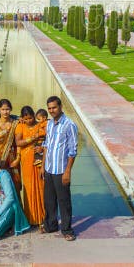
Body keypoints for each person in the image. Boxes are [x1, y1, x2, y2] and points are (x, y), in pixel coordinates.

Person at [42, 95, 78, 241]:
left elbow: (73, 150)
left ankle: (67, 229)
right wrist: (43, 166)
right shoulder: (49, 124)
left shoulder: (69, 125)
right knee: (49, 200)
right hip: (49, 168)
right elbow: (46, 145)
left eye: (54, 107)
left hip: (61, 170)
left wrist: (68, 171)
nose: (52, 110)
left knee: (64, 201)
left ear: (60, 107)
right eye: (49, 108)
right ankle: (51, 225)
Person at [15, 106, 45, 226]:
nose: (29, 120)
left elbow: (47, 139)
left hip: (38, 160)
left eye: (31, 117)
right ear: (22, 118)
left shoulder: (41, 125)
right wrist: (33, 138)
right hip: (26, 160)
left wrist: (41, 147)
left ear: (34, 115)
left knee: (41, 188)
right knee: (29, 189)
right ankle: (31, 218)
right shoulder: (20, 126)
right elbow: (18, 142)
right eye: (26, 119)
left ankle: (43, 218)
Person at [0, 99, 20, 192]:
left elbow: (18, 143)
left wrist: (18, 159)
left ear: (10, 110)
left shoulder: (16, 123)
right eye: (3, 109)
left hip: (12, 158)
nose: (5, 112)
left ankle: (15, 206)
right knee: (0, 184)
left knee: (15, 183)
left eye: (7, 109)